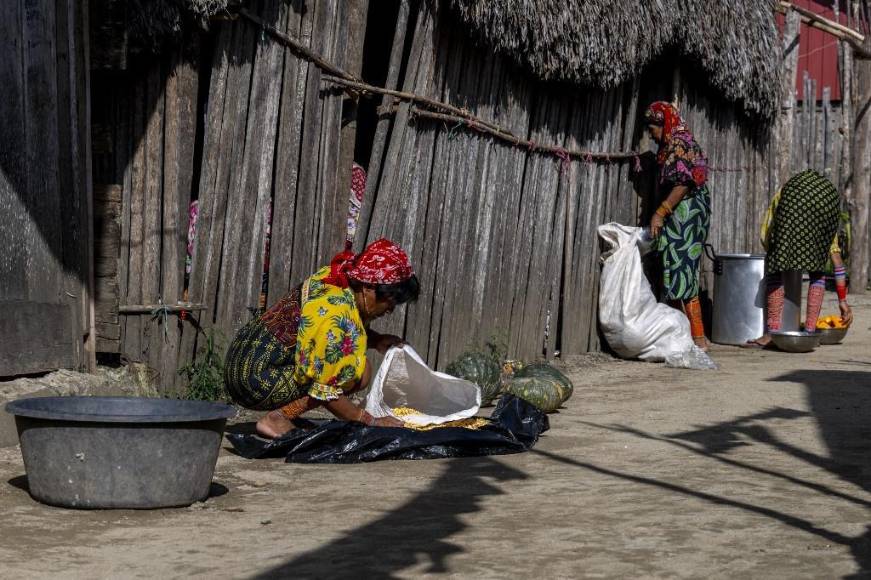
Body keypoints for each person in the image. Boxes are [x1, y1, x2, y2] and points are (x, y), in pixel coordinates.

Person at [224, 238, 420, 438]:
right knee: (357, 373)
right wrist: (369, 420)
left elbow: (335, 337)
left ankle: (288, 415)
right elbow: (326, 390)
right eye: (389, 301)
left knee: (349, 367)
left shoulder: (339, 277)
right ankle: (278, 418)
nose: (389, 310)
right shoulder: (336, 314)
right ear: (368, 288)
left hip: (242, 359)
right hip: (253, 380)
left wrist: (377, 340)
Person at [745, 170, 853, 348]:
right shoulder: (825, 216)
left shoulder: (784, 194)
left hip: (795, 198)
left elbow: (766, 234)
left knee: (775, 266)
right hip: (828, 198)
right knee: (817, 271)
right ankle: (810, 332)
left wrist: (777, 253)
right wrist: (842, 301)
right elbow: (837, 262)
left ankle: (772, 333)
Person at [644, 101, 712, 350]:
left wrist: (660, 212)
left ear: (664, 124)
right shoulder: (678, 140)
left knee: (682, 269)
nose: (651, 134)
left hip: (685, 214)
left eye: (652, 127)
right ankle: (687, 336)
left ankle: (697, 339)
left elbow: (682, 182)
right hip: (688, 213)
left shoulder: (678, 142)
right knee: (677, 268)